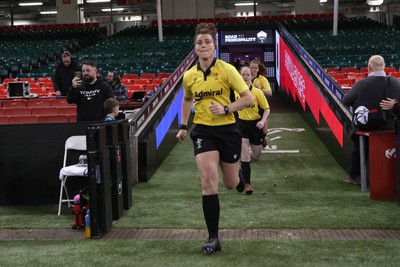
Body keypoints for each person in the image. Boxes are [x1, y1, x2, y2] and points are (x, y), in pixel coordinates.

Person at [176, 23, 254, 254]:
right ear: (195, 47)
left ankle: (239, 178)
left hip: (228, 131)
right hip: (203, 132)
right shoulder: (189, 75)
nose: (203, 46)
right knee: (208, 181)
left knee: (230, 184)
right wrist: (183, 125)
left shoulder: (228, 70)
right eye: (199, 42)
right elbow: (188, 100)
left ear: (214, 45)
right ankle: (213, 238)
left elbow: (248, 98)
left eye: (207, 42)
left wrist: (227, 108)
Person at [342, 55, 400, 185]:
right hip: (392, 127)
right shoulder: (396, 82)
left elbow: (346, 101)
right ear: (384, 66)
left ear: (368, 67)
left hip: (368, 128)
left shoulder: (362, 83)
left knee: (358, 142)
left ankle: (355, 176)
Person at [237, 66, 270, 195]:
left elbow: (267, 109)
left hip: (255, 126)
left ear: (251, 77)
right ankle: (247, 183)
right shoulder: (234, 92)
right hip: (241, 126)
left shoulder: (257, 92)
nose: (245, 77)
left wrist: (262, 121)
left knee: (255, 156)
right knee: (245, 157)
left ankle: (242, 168)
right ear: (239, 76)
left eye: (247, 75)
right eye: (243, 74)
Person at [250, 59, 272, 147]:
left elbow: (270, 93)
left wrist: (260, 89)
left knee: (264, 129)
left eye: (256, 68)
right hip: (248, 106)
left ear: (258, 69)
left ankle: (263, 137)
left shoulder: (262, 79)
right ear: (249, 68)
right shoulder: (244, 77)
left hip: (261, 105)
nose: (254, 69)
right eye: (252, 67)